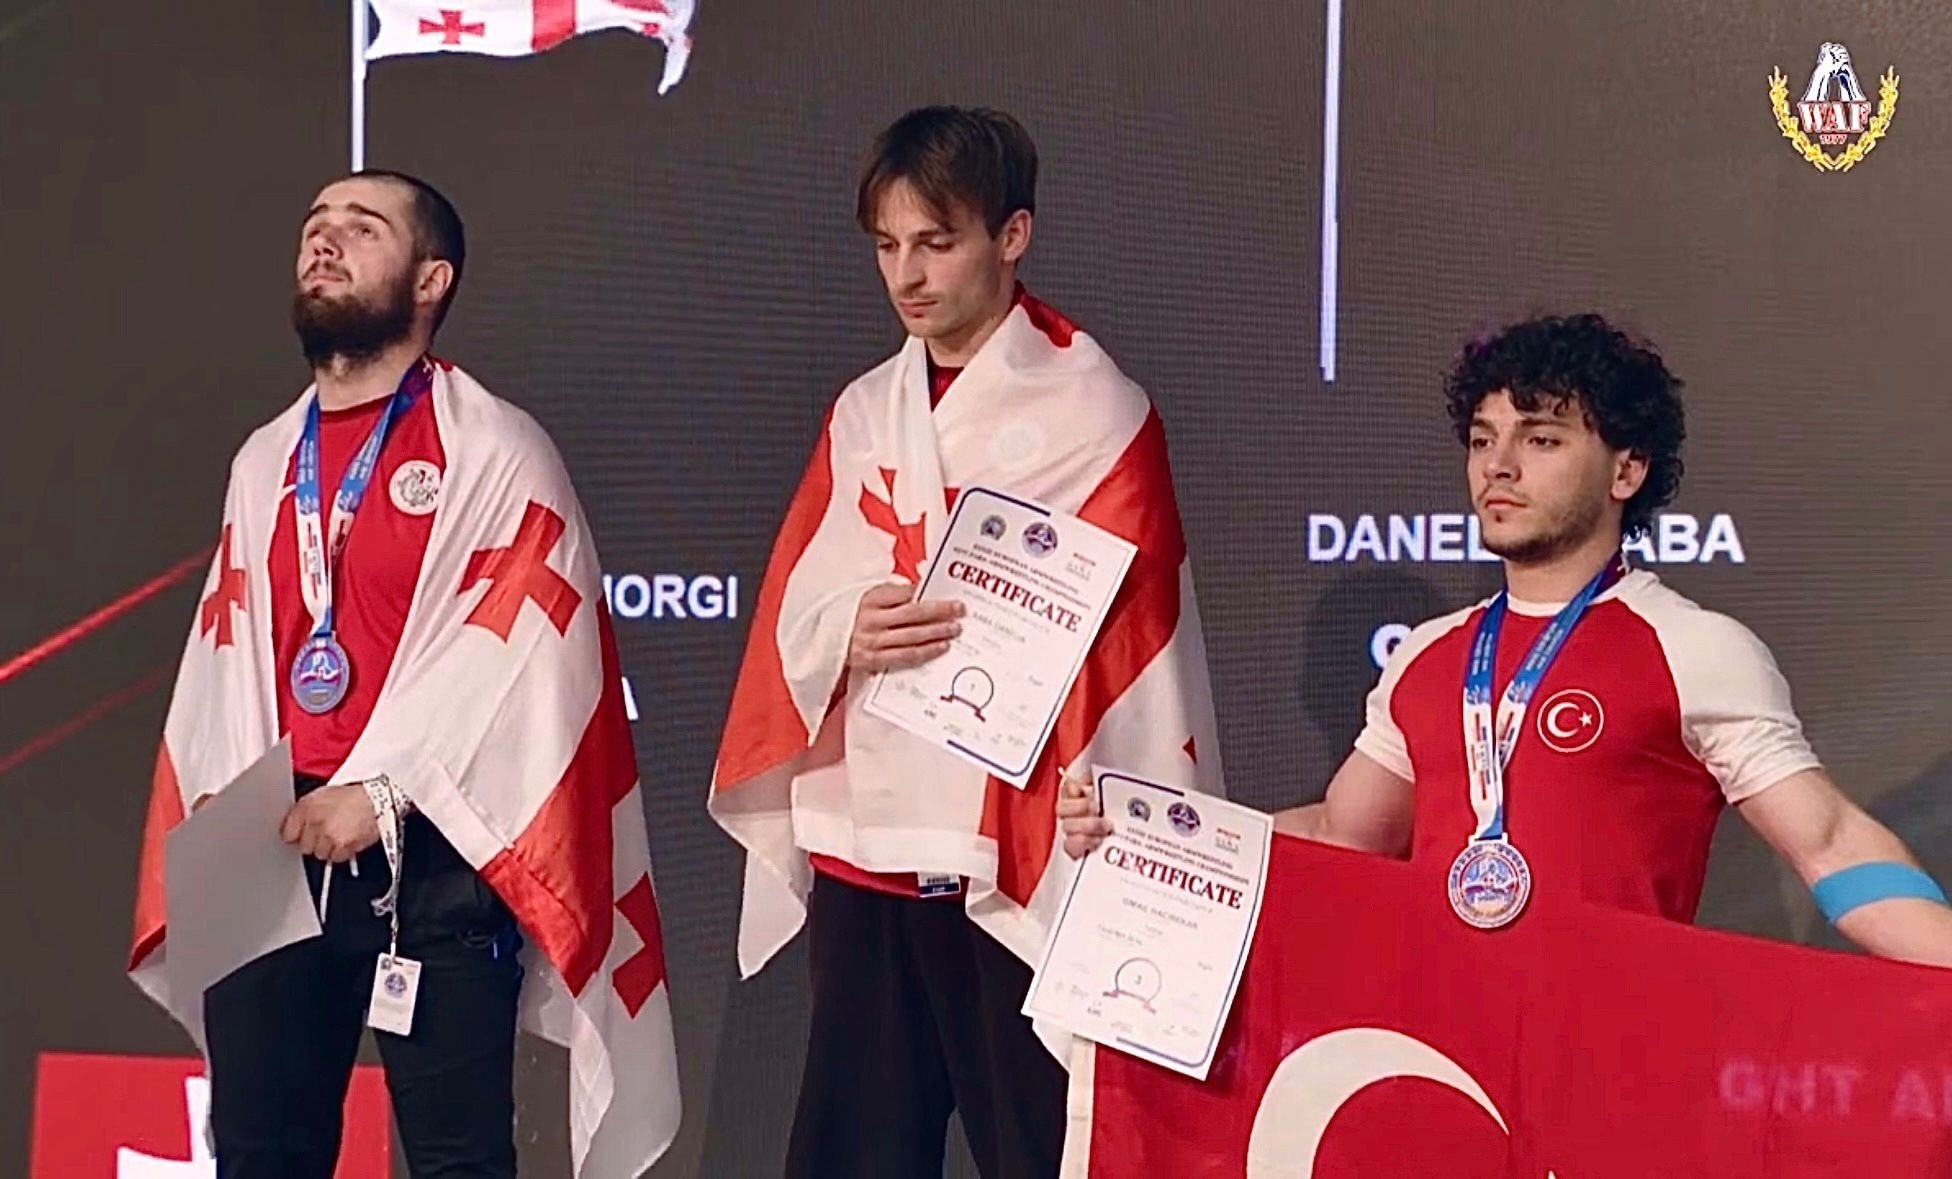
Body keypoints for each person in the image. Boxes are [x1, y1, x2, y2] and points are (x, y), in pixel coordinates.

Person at [1062, 312, 1952, 961]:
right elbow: (1344, 831)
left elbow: (1830, 841)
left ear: (1627, 469)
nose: (1499, 463)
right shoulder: (1427, 655)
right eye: (1484, 438)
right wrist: (1151, 826)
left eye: (1542, 437)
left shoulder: (1693, 647)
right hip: (1437, 1059)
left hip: (1614, 1066)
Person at [128, 170, 680, 1178]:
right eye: (314, 226)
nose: (324, 243)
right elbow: (229, 673)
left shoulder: (497, 451)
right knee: (258, 1153)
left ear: (431, 280)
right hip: (271, 840)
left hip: (433, 858)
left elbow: (518, 667)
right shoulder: (263, 460)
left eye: (360, 228)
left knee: (456, 1162)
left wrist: (380, 790)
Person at [710, 106, 1224, 1178]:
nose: (907, 275)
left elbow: (1132, 647)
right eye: (888, 245)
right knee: (850, 1156)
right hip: (870, 846)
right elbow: (801, 597)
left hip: (1010, 850)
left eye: (936, 243)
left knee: (1038, 1150)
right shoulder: (864, 408)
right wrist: (842, 626)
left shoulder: (1096, 410)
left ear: (1012, 235)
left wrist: (1110, 801)